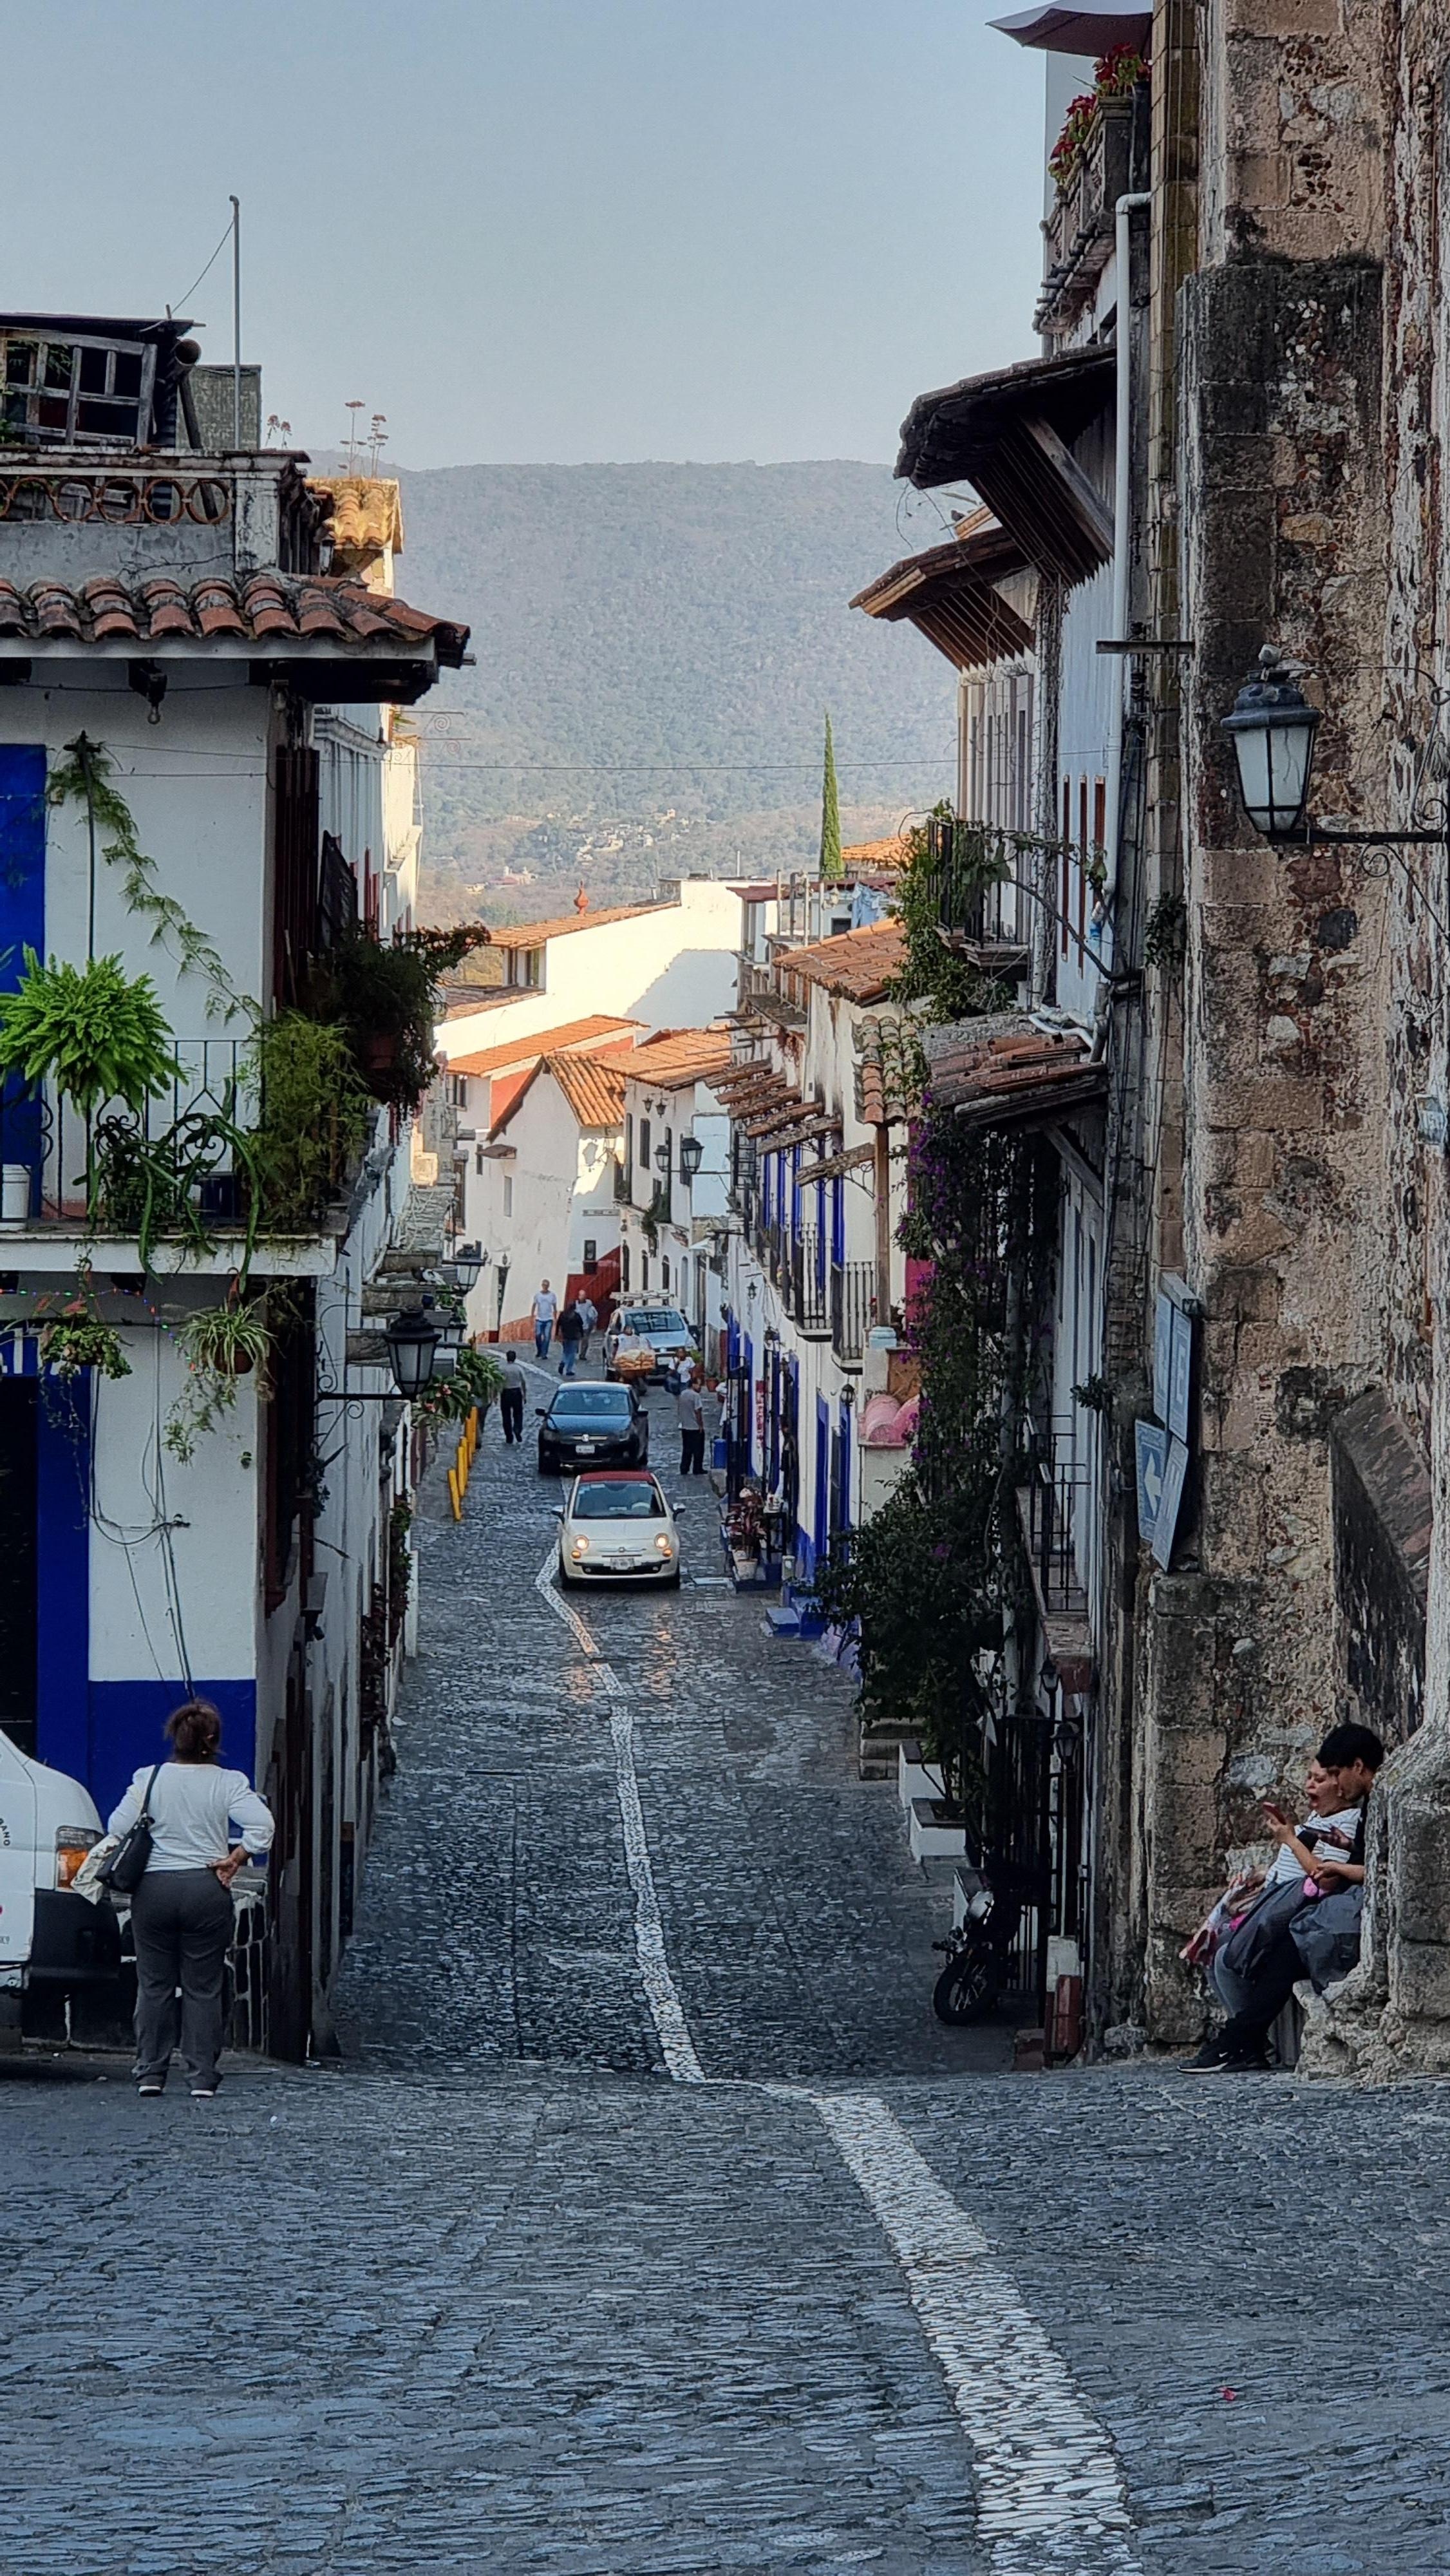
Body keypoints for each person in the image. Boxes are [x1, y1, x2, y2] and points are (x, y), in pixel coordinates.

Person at [1188, 1722, 1385, 2072]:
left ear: (1358, 1767)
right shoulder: (1368, 1805)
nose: (1335, 1784)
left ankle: (1239, 2040)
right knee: (1250, 1951)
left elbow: (1382, 1871)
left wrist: (1299, 1844)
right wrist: (1347, 1850)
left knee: (1285, 1948)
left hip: (1346, 1914)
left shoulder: (1374, 1804)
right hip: (1338, 1909)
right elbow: (1370, 1861)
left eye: (1336, 1774)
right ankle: (1241, 2040)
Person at [108, 1699, 274, 2101]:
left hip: (154, 1891)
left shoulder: (149, 1779)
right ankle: (201, 2077)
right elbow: (262, 1826)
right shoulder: (228, 1782)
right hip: (205, 1887)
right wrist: (237, 1857)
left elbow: (117, 1826)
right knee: (203, 1987)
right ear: (213, 1741)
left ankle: (150, 2072)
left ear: (174, 1738)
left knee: (154, 1985)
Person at [1182, 1758, 1363, 2018]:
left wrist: (1290, 1839)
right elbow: (1296, 1865)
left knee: (1226, 1959)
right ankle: (1241, 2035)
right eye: (1309, 1777)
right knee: (1214, 1948)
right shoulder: (1320, 1816)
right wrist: (1261, 1874)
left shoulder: (1345, 1823)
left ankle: (1247, 2042)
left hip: (1292, 1909)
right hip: (1275, 1895)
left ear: (1339, 1787)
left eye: (1319, 1780)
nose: (1310, 1785)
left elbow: (1323, 1876)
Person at [677, 1375, 706, 1477]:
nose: (700, 1387)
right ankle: (697, 1468)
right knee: (698, 1450)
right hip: (694, 1427)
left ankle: (684, 1468)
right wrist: (701, 1426)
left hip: (685, 1426)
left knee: (687, 1449)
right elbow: (698, 1411)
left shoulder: (683, 1394)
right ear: (693, 1384)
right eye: (699, 1384)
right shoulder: (695, 1396)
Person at [499, 1348, 525, 1444]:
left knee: (506, 1415)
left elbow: (499, 1382)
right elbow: (524, 1382)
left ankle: (509, 1436)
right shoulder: (519, 1369)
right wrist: (525, 1395)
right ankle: (518, 1429)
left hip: (506, 1392)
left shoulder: (503, 1369)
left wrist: (496, 1394)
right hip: (517, 1392)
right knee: (518, 1414)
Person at [531, 1280, 557, 1363]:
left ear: (548, 1286)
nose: (545, 1286)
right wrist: (532, 1315)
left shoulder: (552, 1295)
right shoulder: (538, 1295)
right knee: (538, 1336)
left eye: (547, 1285)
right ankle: (539, 1350)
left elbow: (555, 1306)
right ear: (542, 1285)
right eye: (544, 1285)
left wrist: (555, 1318)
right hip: (539, 1319)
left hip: (549, 1319)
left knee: (547, 1337)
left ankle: (544, 1353)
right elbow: (534, 1305)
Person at [557, 1298, 584, 1378]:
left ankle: (563, 1362)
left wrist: (557, 1334)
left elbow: (559, 1324)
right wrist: (582, 1335)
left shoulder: (563, 1314)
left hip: (565, 1336)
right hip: (574, 1336)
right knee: (572, 1353)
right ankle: (569, 1370)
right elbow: (581, 1325)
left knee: (565, 1351)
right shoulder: (576, 1316)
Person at [577, 1293, 598, 1361]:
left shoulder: (589, 1303)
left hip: (586, 1326)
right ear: (579, 1296)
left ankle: (582, 1355)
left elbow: (593, 1314)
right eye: (581, 1295)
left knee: (585, 1341)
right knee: (576, 1341)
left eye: (584, 1295)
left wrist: (594, 1324)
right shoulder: (576, 1304)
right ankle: (575, 1352)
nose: (583, 1297)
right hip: (577, 1326)